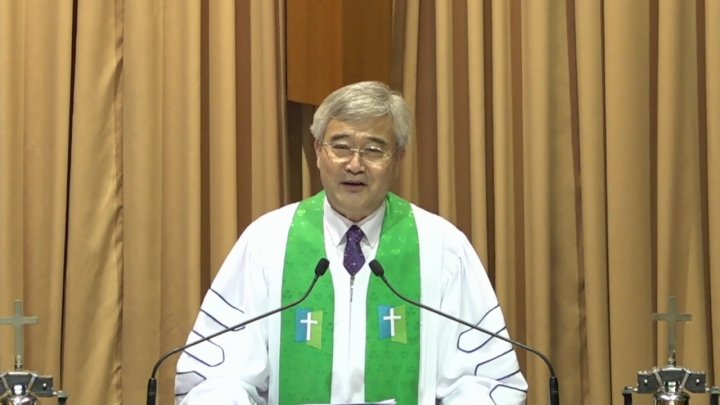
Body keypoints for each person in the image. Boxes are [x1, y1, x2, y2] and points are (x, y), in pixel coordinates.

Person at [175, 81, 528, 404]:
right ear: (318, 151)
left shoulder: (442, 248)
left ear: (399, 158)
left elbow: (484, 379)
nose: (355, 165)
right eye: (340, 147)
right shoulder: (267, 242)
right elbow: (217, 375)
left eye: (374, 150)